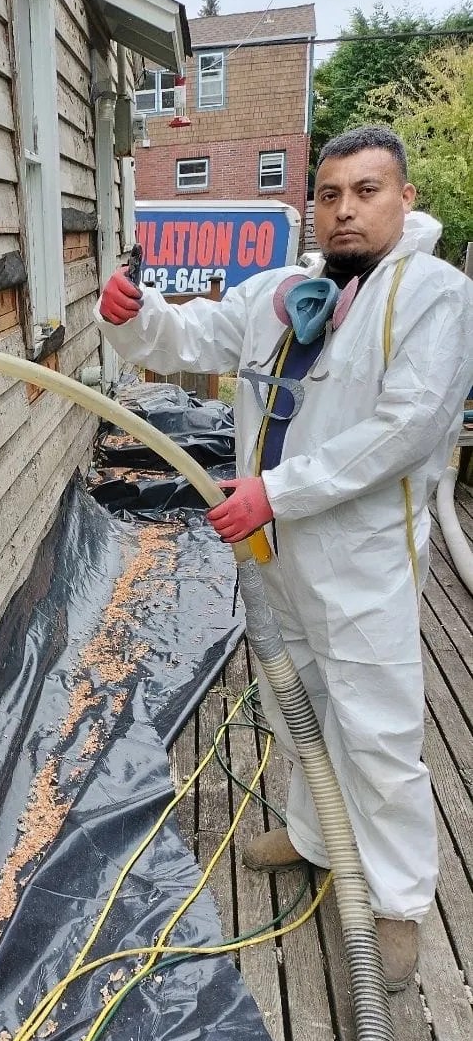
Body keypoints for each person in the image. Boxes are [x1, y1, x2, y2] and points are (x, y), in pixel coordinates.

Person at [96, 125, 473, 990]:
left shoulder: (435, 297)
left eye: (366, 191)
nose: (345, 209)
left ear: (405, 199)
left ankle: (399, 901)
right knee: (293, 699)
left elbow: (405, 430)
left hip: (361, 553)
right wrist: (135, 316)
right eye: (331, 193)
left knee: (377, 729)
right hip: (274, 545)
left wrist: (278, 489)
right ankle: (314, 838)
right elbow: (192, 341)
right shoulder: (287, 288)